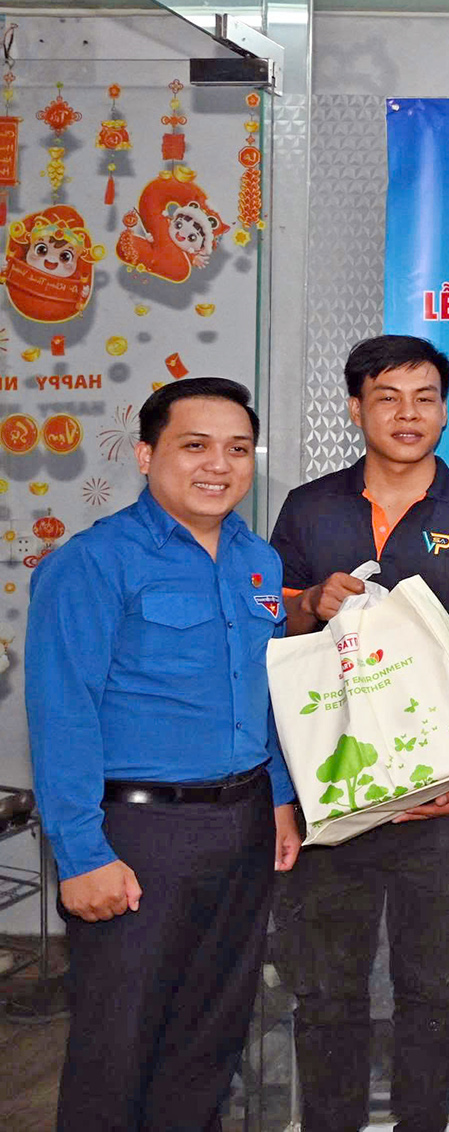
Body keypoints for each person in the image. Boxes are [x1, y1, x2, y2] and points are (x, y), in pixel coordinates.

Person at [26, 377, 302, 1130]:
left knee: (211, 1038)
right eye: (195, 445)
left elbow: (263, 693)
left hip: (242, 825)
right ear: (147, 454)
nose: (219, 465)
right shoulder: (92, 562)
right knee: (118, 1045)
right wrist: (81, 853)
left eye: (238, 449)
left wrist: (279, 798)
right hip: (138, 835)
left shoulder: (259, 562)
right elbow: (61, 714)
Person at [268, 335, 449, 1132]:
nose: (408, 415)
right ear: (355, 408)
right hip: (331, 790)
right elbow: (276, 627)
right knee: (326, 987)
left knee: (435, 985)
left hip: (439, 798)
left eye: (424, 398)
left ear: (444, 411)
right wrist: (311, 603)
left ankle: (422, 1122)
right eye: (387, 398)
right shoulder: (309, 508)